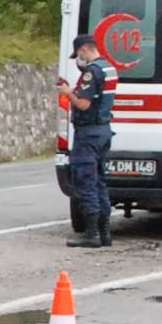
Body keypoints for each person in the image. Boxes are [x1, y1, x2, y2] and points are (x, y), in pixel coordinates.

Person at [65, 32, 116, 249]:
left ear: (84, 49)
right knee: (100, 182)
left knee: (86, 181)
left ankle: (92, 233)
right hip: (104, 130)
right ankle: (105, 232)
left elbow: (84, 104)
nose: (79, 58)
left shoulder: (92, 73)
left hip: (89, 133)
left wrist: (68, 93)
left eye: (79, 53)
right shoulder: (110, 68)